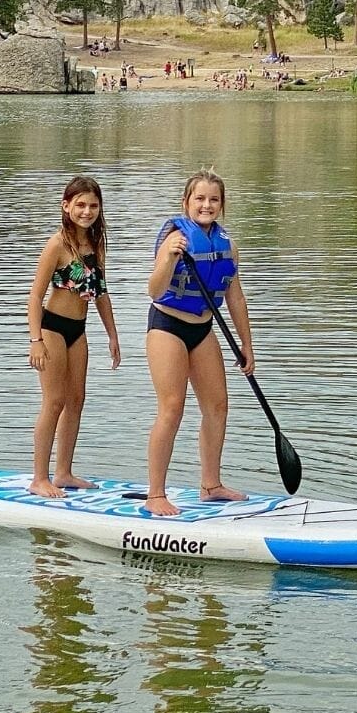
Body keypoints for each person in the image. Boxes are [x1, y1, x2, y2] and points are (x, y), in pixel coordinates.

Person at [142, 169, 255, 516]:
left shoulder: (227, 245)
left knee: (218, 406)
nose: (207, 205)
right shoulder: (175, 237)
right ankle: (156, 494)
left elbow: (235, 298)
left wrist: (246, 344)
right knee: (172, 407)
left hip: (203, 329)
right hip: (167, 326)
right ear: (186, 202)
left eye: (214, 199)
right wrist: (172, 256)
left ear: (222, 205)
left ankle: (211, 484)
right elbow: (154, 289)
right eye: (200, 199)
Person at [25, 175, 121, 498]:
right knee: (54, 402)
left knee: (76, 401)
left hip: (79, 332)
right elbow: (35, 296)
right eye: (80, 205)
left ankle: (63, 472)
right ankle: (40, 477)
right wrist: (35, 339)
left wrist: (112, 335)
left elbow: (101, 292)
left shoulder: (96, 244)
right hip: (52, 328)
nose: (87, 211)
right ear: (66, 207)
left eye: (93, 205)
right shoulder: (57, 244)